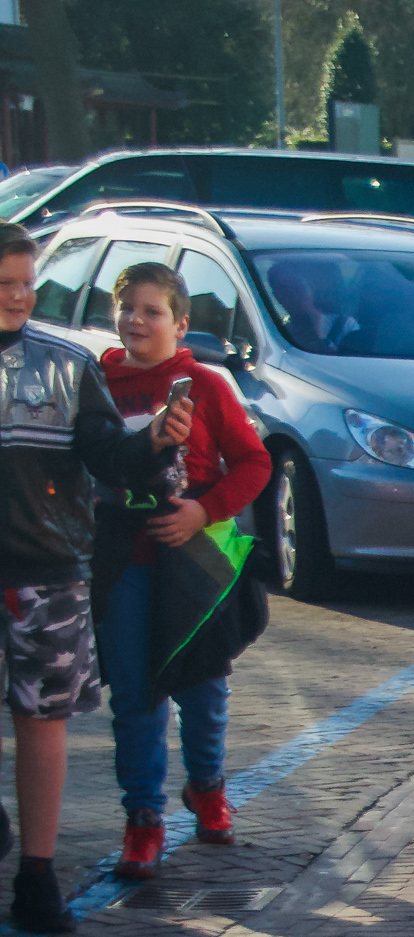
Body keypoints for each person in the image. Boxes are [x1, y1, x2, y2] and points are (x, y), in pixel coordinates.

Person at [0, 223, 192, 932]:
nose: (20, 297)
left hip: (47, 567)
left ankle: (38, 876)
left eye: (26, 283)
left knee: (41, 720)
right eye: (5, 285)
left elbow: (109, 453)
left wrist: (154, 441)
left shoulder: (63, 364)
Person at [96, 263, 272, 880]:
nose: (137, 321)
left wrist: (203, 510)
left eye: (153, 311)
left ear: (181, 324)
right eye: (127, 309)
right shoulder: (96, 383)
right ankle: (142, 820)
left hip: (194, 559)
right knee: (135, 694)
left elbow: (254, 464)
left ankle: (207, 788)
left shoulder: (204, 383)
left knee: (202, 685)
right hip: (123, 560)